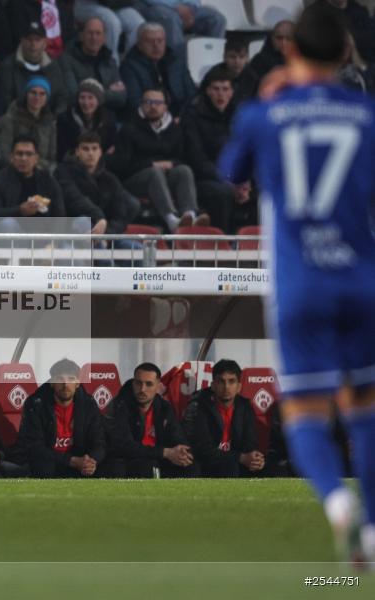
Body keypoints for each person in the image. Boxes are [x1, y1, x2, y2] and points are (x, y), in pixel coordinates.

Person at [218, 6, 375, 564]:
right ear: (347, 56)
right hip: (360, 280)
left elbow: (231, 173)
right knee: (365, 410)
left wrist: (266, 102)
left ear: (289, 51)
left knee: (305, 412)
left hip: (301, 285)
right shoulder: (366, 114)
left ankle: (337, 504)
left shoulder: (268, 114)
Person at [111, 88, 207, 232]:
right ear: (141, 105)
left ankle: (190, 215)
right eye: (148, 102)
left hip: (165, 176)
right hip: (136, 179)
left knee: (184, 170)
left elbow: (183, 158)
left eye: (157, 102)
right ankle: (172, 219)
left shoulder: (174, 129)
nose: (153, 106)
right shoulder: (129, 127)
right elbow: (122, 164)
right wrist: (151, 164)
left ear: (165, 106)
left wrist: (171, 164)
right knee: (154, 172)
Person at [181, 66, 247, 232]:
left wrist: (245, 182)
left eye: (225, 89)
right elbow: (197, 158)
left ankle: (250, 243)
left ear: (232, 92)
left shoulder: (240, 115)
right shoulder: (193, 115)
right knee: (222, 193)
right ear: (207, 91)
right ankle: (221, 243)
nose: (221, 94)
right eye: (216, 89)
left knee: (262, 190)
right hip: (203, 178)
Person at [16, 359, 106, 478]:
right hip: (48, 461)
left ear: (78, 383)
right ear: (52, 382)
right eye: (60, 379)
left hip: (78, 460)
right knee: (44, 467)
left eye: (70, 379)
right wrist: (71, 461)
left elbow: (99, 442)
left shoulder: (88, 404)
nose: (65, 385)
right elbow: (35, 447)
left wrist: (91, 461)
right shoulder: (36, 404)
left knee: (110, 467)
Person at [105, 362, 195, 478]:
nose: (142, 389)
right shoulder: (119, 405)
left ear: (158, 386)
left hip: (158, 458)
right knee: (147, 467)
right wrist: (165, 452)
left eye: (149, 384)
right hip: (127, 460)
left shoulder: (164, 407)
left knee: (191, 467)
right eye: (138, 383)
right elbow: (124, 446)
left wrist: (182, 453)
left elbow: (177, 436)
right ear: (133, 383)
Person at [182, 360, 265, 478]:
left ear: (239, 387)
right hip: (205, 464)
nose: (226, 387)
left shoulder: (245, 406)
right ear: (213, 385)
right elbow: (202, 449)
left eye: (231, 381)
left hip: (234, 461)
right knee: (229, 467)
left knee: (269, 469)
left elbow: (250, 443)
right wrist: (240, 457)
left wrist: (255, 458)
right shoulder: (198, 406)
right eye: (221, 381)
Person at [56, 131, 138, 234]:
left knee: (136, 248)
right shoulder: (63, 172)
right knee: (83, 221)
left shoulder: (110, 179)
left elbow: (120, 217)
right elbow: (75, 199)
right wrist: (99, 217)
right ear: (77, 152)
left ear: (100, 152)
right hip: (72, 231)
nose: (90, 153)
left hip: (104, 233)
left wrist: (106, 235)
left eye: (94, 148)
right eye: (85, 149)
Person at [0, 135, 66, 233]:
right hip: (12, 233)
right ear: (11, 157)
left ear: (36, 158)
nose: (24, 158)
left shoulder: (48, 180)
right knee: (8, 223)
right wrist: (19, 210)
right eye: (19, 154)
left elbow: (60, 214)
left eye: (29, 154)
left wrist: (54, 242)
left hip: (44, 237)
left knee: (67, 246)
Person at [0, 20, 76, 115]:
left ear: (45, 43)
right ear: (22, 41)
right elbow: (5, 100)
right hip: (17, 122)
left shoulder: (52, 65)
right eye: (29, 39)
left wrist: (54, 118)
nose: (33, 44)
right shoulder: (8, 66)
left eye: (37, 40)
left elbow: (62, 97)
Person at [119, 21, 195, 115]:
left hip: (181, 117)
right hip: (150, 119)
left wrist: (182, 117)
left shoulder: (176, 61)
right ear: (139, 45)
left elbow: (192, 95)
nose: (156, 45)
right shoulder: (129, 66)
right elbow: (135, 103)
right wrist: (166, 119)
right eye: (150, 41)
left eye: (160, 40)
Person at [64, 17, 127, 113]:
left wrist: (90, 94)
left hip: (107, 117)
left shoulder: (110, 61)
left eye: (98, 33)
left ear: (104, 37)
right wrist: (107, 91)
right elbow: (74, 96)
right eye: (90, 33)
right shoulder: (67, 60)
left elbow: (121, 97)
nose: (94, 38)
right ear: (81, 36)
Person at [0, 77, 58, 173]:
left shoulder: (50, 124)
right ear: (26, 95)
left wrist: (39, 167)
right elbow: (4, 154)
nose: (37, 97)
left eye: (42, 94)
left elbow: (52, 157)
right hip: (13, 171)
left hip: (41, 171)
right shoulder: (9, 119)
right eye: (33, 92)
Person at [134, 1, 225, 59]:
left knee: (216, 19)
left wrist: (190, 6)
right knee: (171, 19)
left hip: (183, 6)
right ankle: (178, 65)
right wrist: (176, 6)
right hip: (152, 4)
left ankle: (213, 63)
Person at [56, 78, 117, 162]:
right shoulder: (65, 120)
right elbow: (62, 152)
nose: (86, 102)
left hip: (101, 164)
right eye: (82, 97)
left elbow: (111, 148)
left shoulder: (108, 119)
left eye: (90, 98)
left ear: (98, 101)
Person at [235, 20, 293, 103]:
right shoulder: (259, 61)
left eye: (289, 39)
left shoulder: (305, 62)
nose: (284, 42)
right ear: (272, 38)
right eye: (279, 38)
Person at [71, 1, 146, 63]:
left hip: (117, 6)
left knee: (138, 24)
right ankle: (110, 67)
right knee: (112, 23)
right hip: (87, 5)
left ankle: (130, 67)